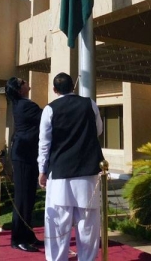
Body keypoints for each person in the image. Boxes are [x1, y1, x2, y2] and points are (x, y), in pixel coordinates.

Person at [38, 73, 104, 261]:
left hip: (60, 173)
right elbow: (98, 130)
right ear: (72, 87)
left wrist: (42, 170)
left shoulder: (50, 109)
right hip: (87, 172)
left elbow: (44, 143)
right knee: (88, 225)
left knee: (58, 224)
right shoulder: (89, 103)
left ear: (54, 90)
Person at [5, 77, 43, 252]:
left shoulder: (22, 104)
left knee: (28, 197)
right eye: (23, 82)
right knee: (22, 198)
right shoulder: (26, 106)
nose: (27, 82)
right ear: (20, 89)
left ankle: (27, 235)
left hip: (27, 155)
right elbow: (47, 117)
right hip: (23, 155)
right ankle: (18, 238)